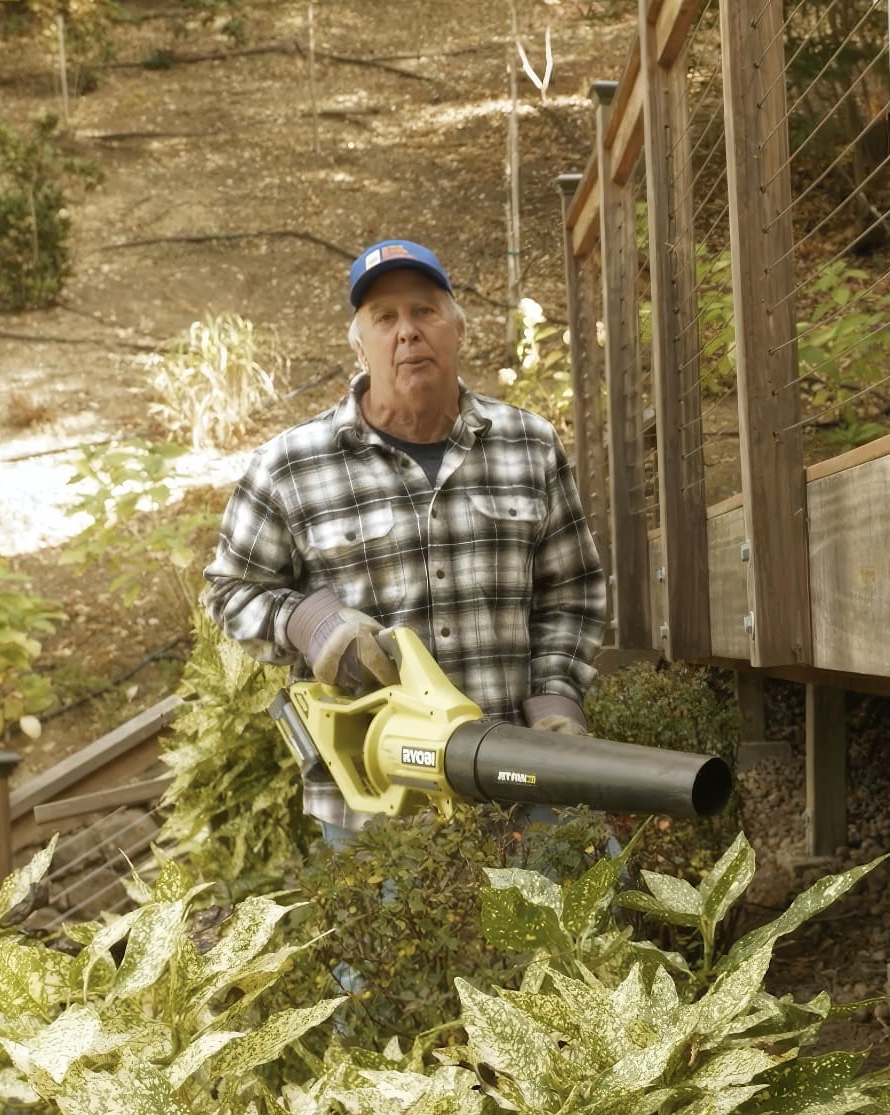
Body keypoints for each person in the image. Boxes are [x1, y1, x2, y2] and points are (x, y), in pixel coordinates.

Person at [203, 238, 608, 845]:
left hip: (522, 776)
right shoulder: (288, 465)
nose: (408, 333)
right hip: (376, 803)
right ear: (359, 344)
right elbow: (229, 591)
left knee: (587, 932)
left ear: (457, 331)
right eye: (384, 318)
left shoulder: (529, 444)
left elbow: (569, 591)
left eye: (425, 311)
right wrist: (310, 624)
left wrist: (554, 699)